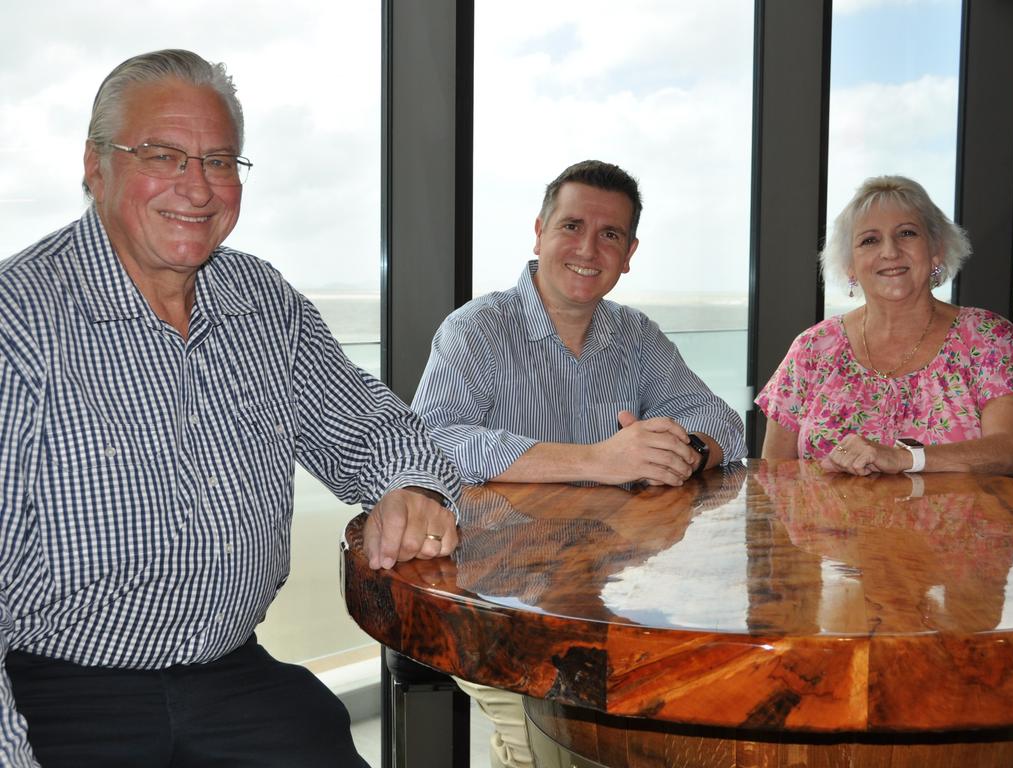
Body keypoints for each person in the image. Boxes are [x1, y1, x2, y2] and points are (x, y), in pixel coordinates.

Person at [0, 49, 460, 767]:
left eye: (219, 161)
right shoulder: (18, 323)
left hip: (230, 674)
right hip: (57, 693)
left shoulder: (261, 302)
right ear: (95, 165)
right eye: (163, 155)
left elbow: (373, 428)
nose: (197, 187)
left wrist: (411, 486)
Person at [411, 159, 745, 767]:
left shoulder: (635, 336)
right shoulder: (476, 329)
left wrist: (684, 452)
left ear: (629, 252)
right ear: (538, 231)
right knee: (550, 750)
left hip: (611, 601)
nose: (588, 248)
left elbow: (724, 421)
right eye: (571, 226)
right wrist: (601, 459)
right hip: (498, 600)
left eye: (610, 234)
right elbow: (434, 439)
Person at [757, 174, 1013, 476]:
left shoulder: (986, 337)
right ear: (850, 266)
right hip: (824, 525)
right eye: (869, 240)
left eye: (907, 233)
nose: (890, 251)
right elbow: (774, 479)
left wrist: (905, 458)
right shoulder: (811, 349)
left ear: (936, 249)